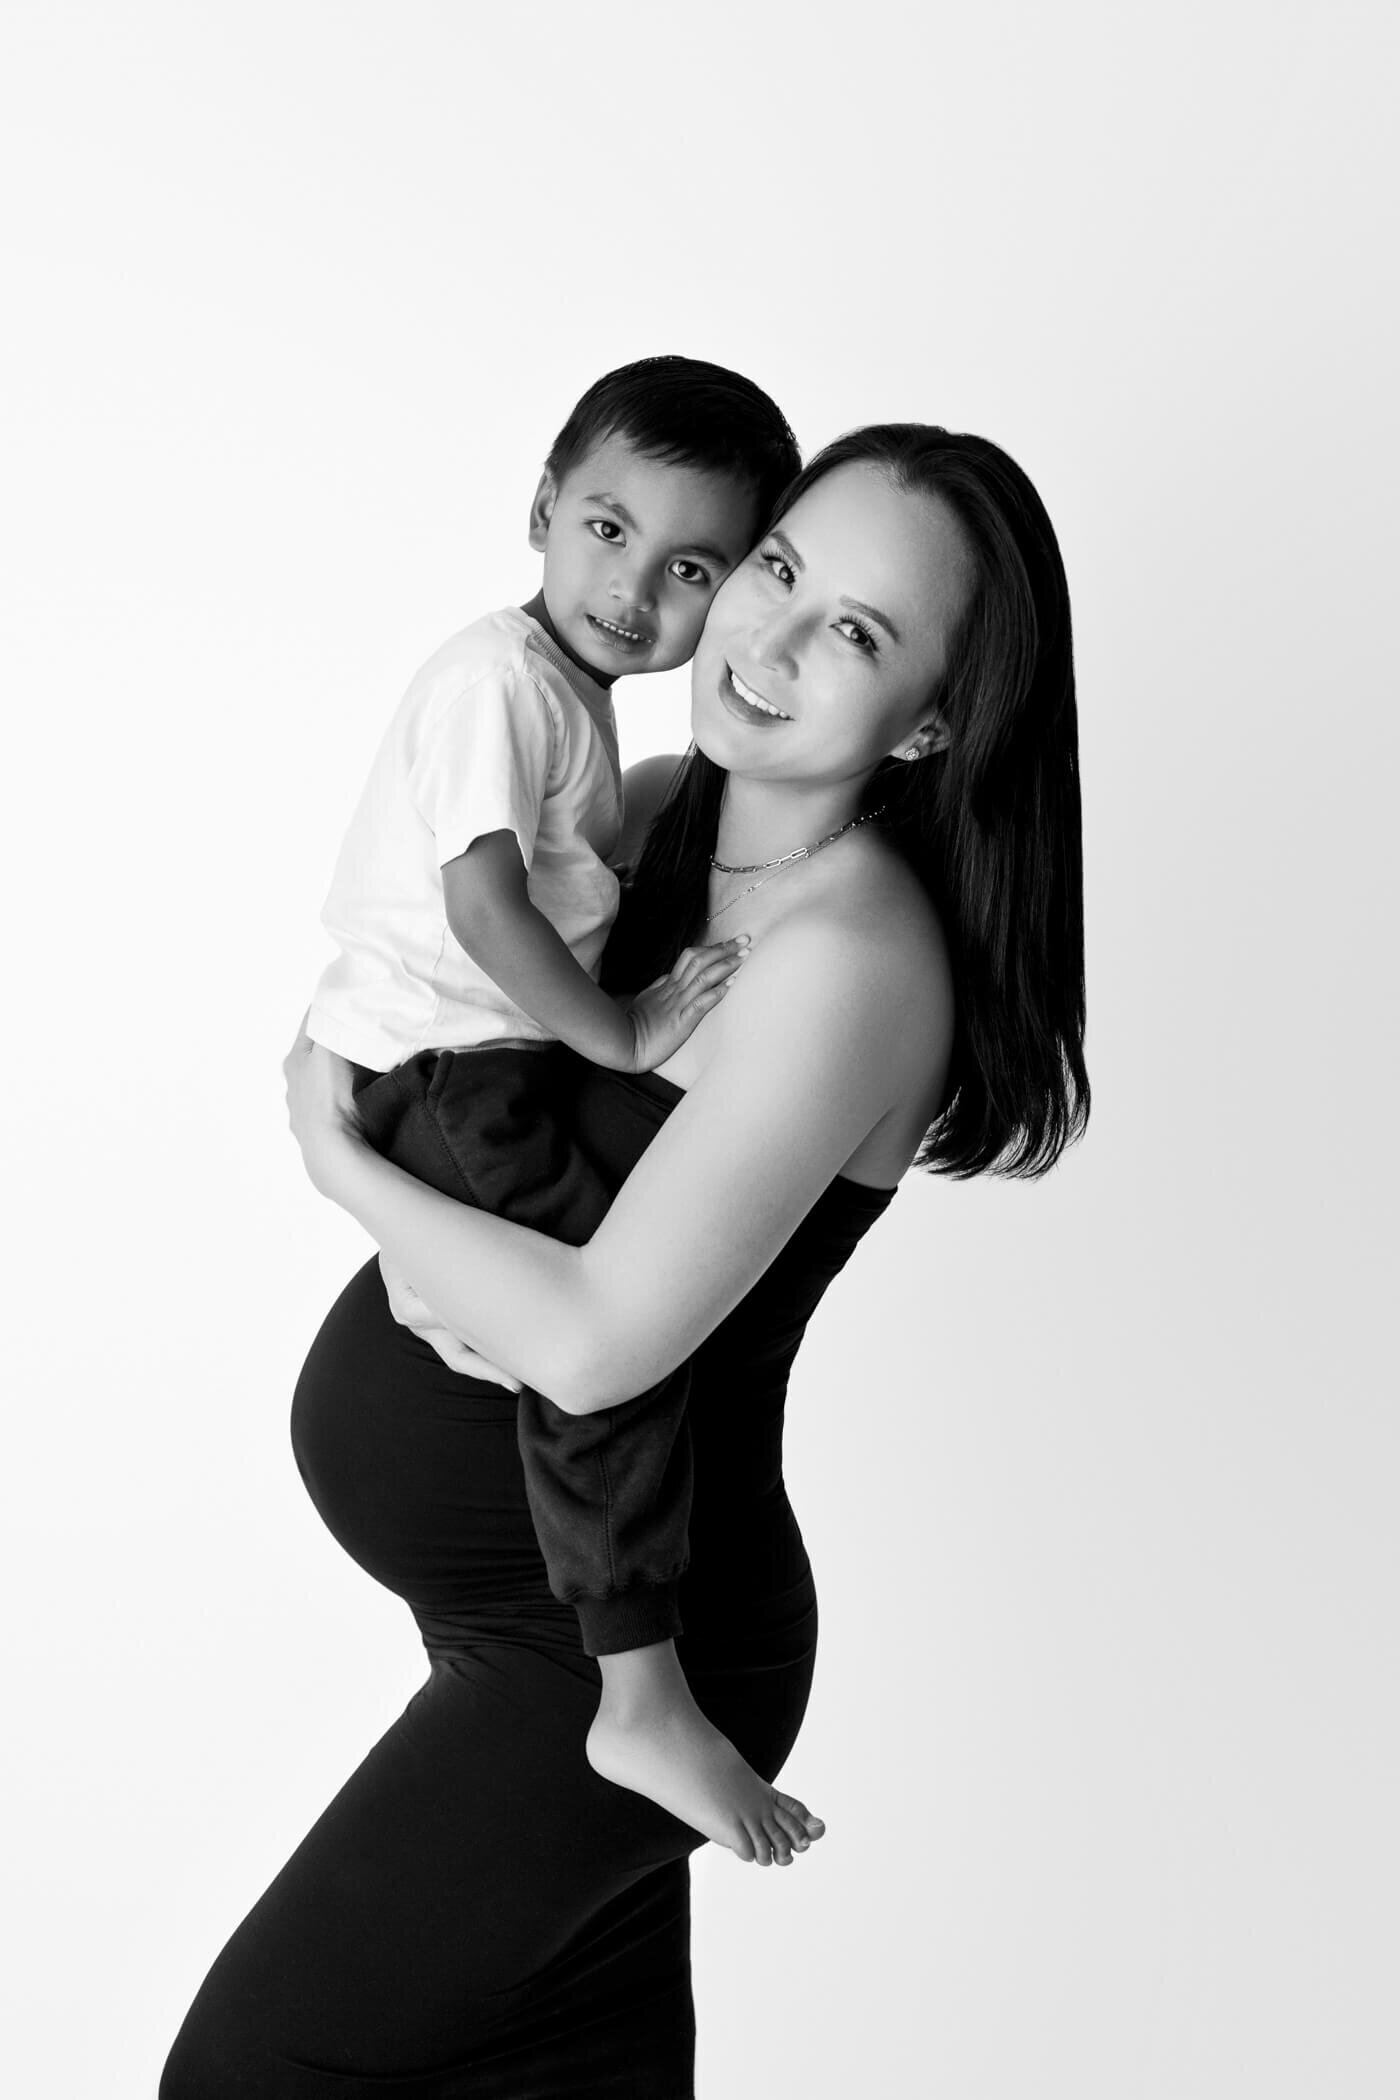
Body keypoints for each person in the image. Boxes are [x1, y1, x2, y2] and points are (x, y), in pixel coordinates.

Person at [161, 421, 1088, 2097]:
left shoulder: (850, 958)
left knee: (250, 2075)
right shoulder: (656, 816)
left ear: (935, 721)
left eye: (859, 634)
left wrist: (336, 1167)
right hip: (518, 1615)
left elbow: (591, 1343)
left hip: (610, 1656)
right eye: (783, 570)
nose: (775, 636)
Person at [307, 353, 812, 1845]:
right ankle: (641, 1697)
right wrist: (621, 1029)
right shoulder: (498, 685)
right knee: (607, 1330)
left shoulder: (572, 707)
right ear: (540, 507)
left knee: (557, 1308)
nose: (633, 586)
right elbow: (483, 905)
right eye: (606, 529)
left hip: (458, 1071)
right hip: (461, 1064)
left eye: (690, 566)